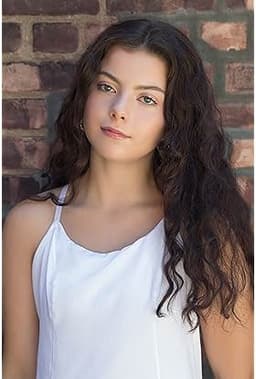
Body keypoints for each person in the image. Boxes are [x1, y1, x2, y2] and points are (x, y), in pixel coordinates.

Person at [3, 17, 253, 379]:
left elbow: (238, 375)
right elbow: (17, 367)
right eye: (107, 87)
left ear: (173, 120)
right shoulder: (30, 226)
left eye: (147, 98)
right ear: (85, 96)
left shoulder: (203, 232)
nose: (120, 108)